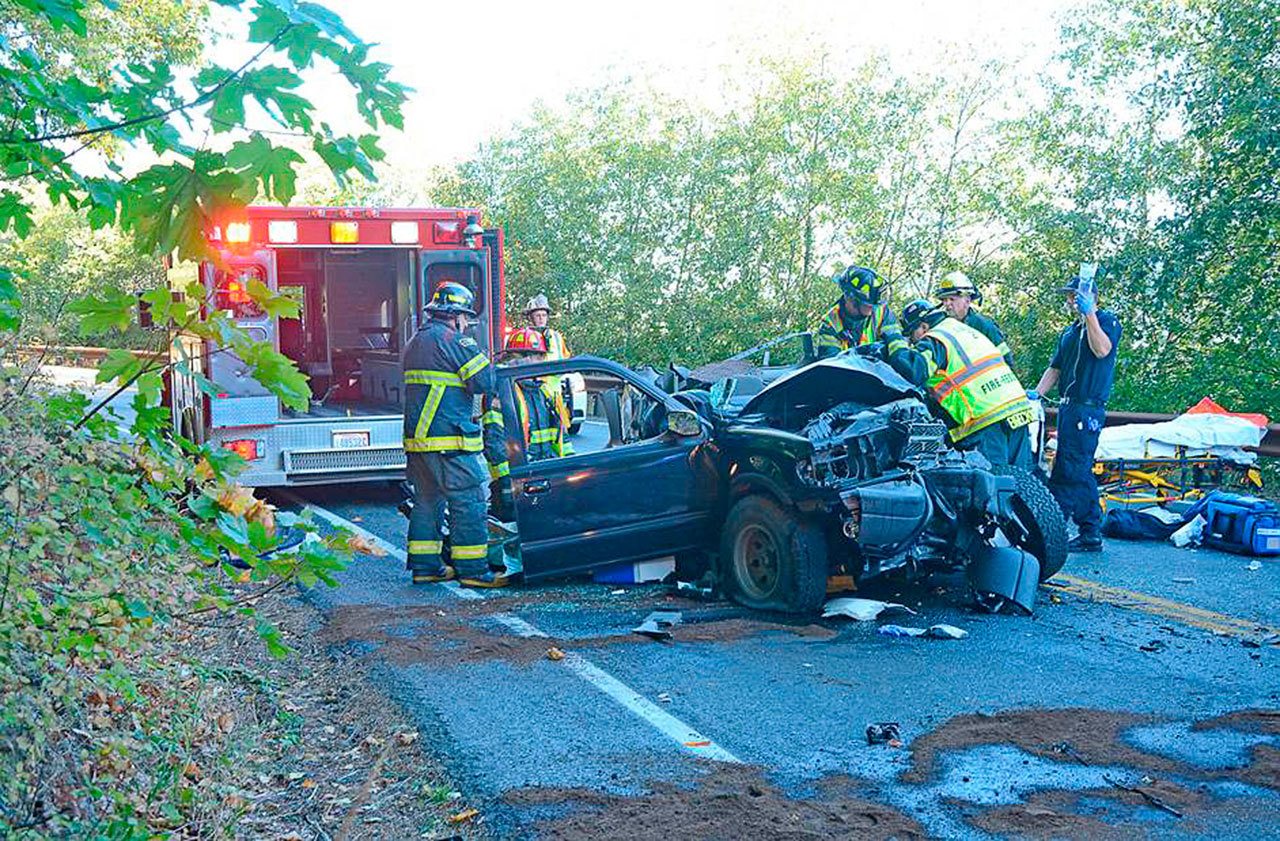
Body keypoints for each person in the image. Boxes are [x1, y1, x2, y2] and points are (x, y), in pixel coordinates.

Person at [401, 281, 508, 588]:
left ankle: (426, 567)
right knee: (469, 501)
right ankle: (474, 571)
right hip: (449, 440)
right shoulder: (455, 341)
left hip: (419, 442)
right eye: (465, 318)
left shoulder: (416, 342)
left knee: (427, 501)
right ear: (457, 316)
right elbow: (485, 382)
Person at [1032, 267, 1122, 553]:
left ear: (1090, 296)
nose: (1071, 301)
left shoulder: (1107, 321)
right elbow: (1055, 368)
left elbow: (1101, 350)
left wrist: (1091, 314)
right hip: (1069, 409)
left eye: (1075, 296)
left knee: (1072, 468)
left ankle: (1057, 528)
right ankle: (1088, 531)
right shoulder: (1069, 333)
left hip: (1088, 408)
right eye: (1070, 297)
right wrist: (1037, 394)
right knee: (1075, 467)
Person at [886, 298, 1035, 469]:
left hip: (985, 420)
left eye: (912, 335)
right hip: (1017, 411)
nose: (913, 343)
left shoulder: (936, 338)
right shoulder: (965, 330)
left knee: (993, 487)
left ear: (924, 327)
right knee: (1022, 485)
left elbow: (913, 370)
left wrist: (894, 339)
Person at [501, 327, 573, 461]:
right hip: (522, 472)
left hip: (544, 469)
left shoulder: (545, 393)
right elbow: (495, 442)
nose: (542, 361)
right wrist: (507, 479)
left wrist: (571, 463)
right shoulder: (505, 394)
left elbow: (561, 437)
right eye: (539, 357)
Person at [814, 265, 901, 357]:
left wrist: (903, 356)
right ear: (850, 299)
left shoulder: (882, 312)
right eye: (868, 304)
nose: (873, 309)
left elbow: (896, 342)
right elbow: (831, 362)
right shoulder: (831, 323)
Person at [935, 271, 1013, 367]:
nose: (947, 304)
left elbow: (1006, 360)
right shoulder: (942, 328)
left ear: (967, 300)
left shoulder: (984, 326)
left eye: (952, 299)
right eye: (944, 300)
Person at [523, 294, 571, 360]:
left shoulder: (557, 337)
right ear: (530, 318)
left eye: (544, 315)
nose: (541, 318)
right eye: (537, 315)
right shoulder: (524, 336)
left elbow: (566, 358)